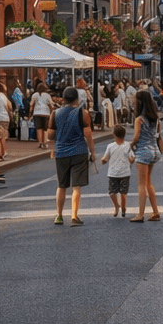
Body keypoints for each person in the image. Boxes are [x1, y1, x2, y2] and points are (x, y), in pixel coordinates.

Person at [51, 86, 94, 225]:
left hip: (61, 152)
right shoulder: (83, 113)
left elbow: (50, 135)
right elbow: (88, 134)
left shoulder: (55, 113)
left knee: (61, 186)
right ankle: (74, 216)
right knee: (76, 187)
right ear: (77, 99)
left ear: (63, 99)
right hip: (79, 152)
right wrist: (93, 152)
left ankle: (59, 215)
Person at [130, 89, 163, 221]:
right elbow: (158, 135)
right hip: (154, 150)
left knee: (141, 184)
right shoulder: (156, 119)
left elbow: (136, 137)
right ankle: (155, 212)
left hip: (143, 151)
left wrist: (130, 145)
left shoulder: (139, 120)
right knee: (149, 182)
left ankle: (140, 214)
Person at [100, 125, 134, 217]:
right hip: (113, 173)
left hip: (124, 173)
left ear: (114, 135)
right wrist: (104, 160)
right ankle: (117, 206)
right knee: (112, 192)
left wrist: (132, 159)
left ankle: (123, 208)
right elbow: (106, 157)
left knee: (123, 193)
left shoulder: (127, 145)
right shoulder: (110, 146)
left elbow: (131, 157)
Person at [31, 83, 53, 151]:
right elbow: (51, 104)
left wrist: (30, 113)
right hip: (45, 113)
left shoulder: (35, 95)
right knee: (45, 129)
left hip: (37, 113)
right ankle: (45, 142)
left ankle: (40, 143)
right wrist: (51, 109)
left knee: (39, 129)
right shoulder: (47, 95)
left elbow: (31, 104)